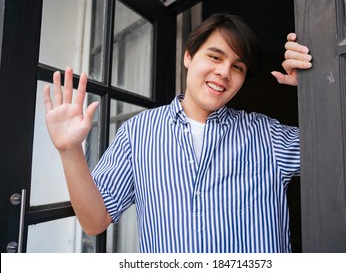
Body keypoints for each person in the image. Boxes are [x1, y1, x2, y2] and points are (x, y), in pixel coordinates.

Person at [44, 13, 312, 253]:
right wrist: (70, 150)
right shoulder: (138, 133)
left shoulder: (267, 136)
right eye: (215, 57)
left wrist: (314, 84)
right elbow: (94, 221)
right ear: (188, 56)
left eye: (237, 67)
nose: (224, 71)